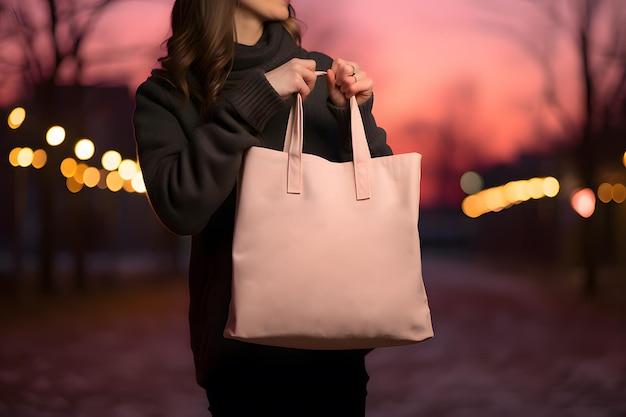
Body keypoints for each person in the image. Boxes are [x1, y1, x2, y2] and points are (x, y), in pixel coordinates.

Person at [133, 0, 392, 415]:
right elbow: (180, 207)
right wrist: (260, 96)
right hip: (241, 362)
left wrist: (354, 117)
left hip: (334, 349)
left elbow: (380, 204)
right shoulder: (170, 94)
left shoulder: (320, 74)